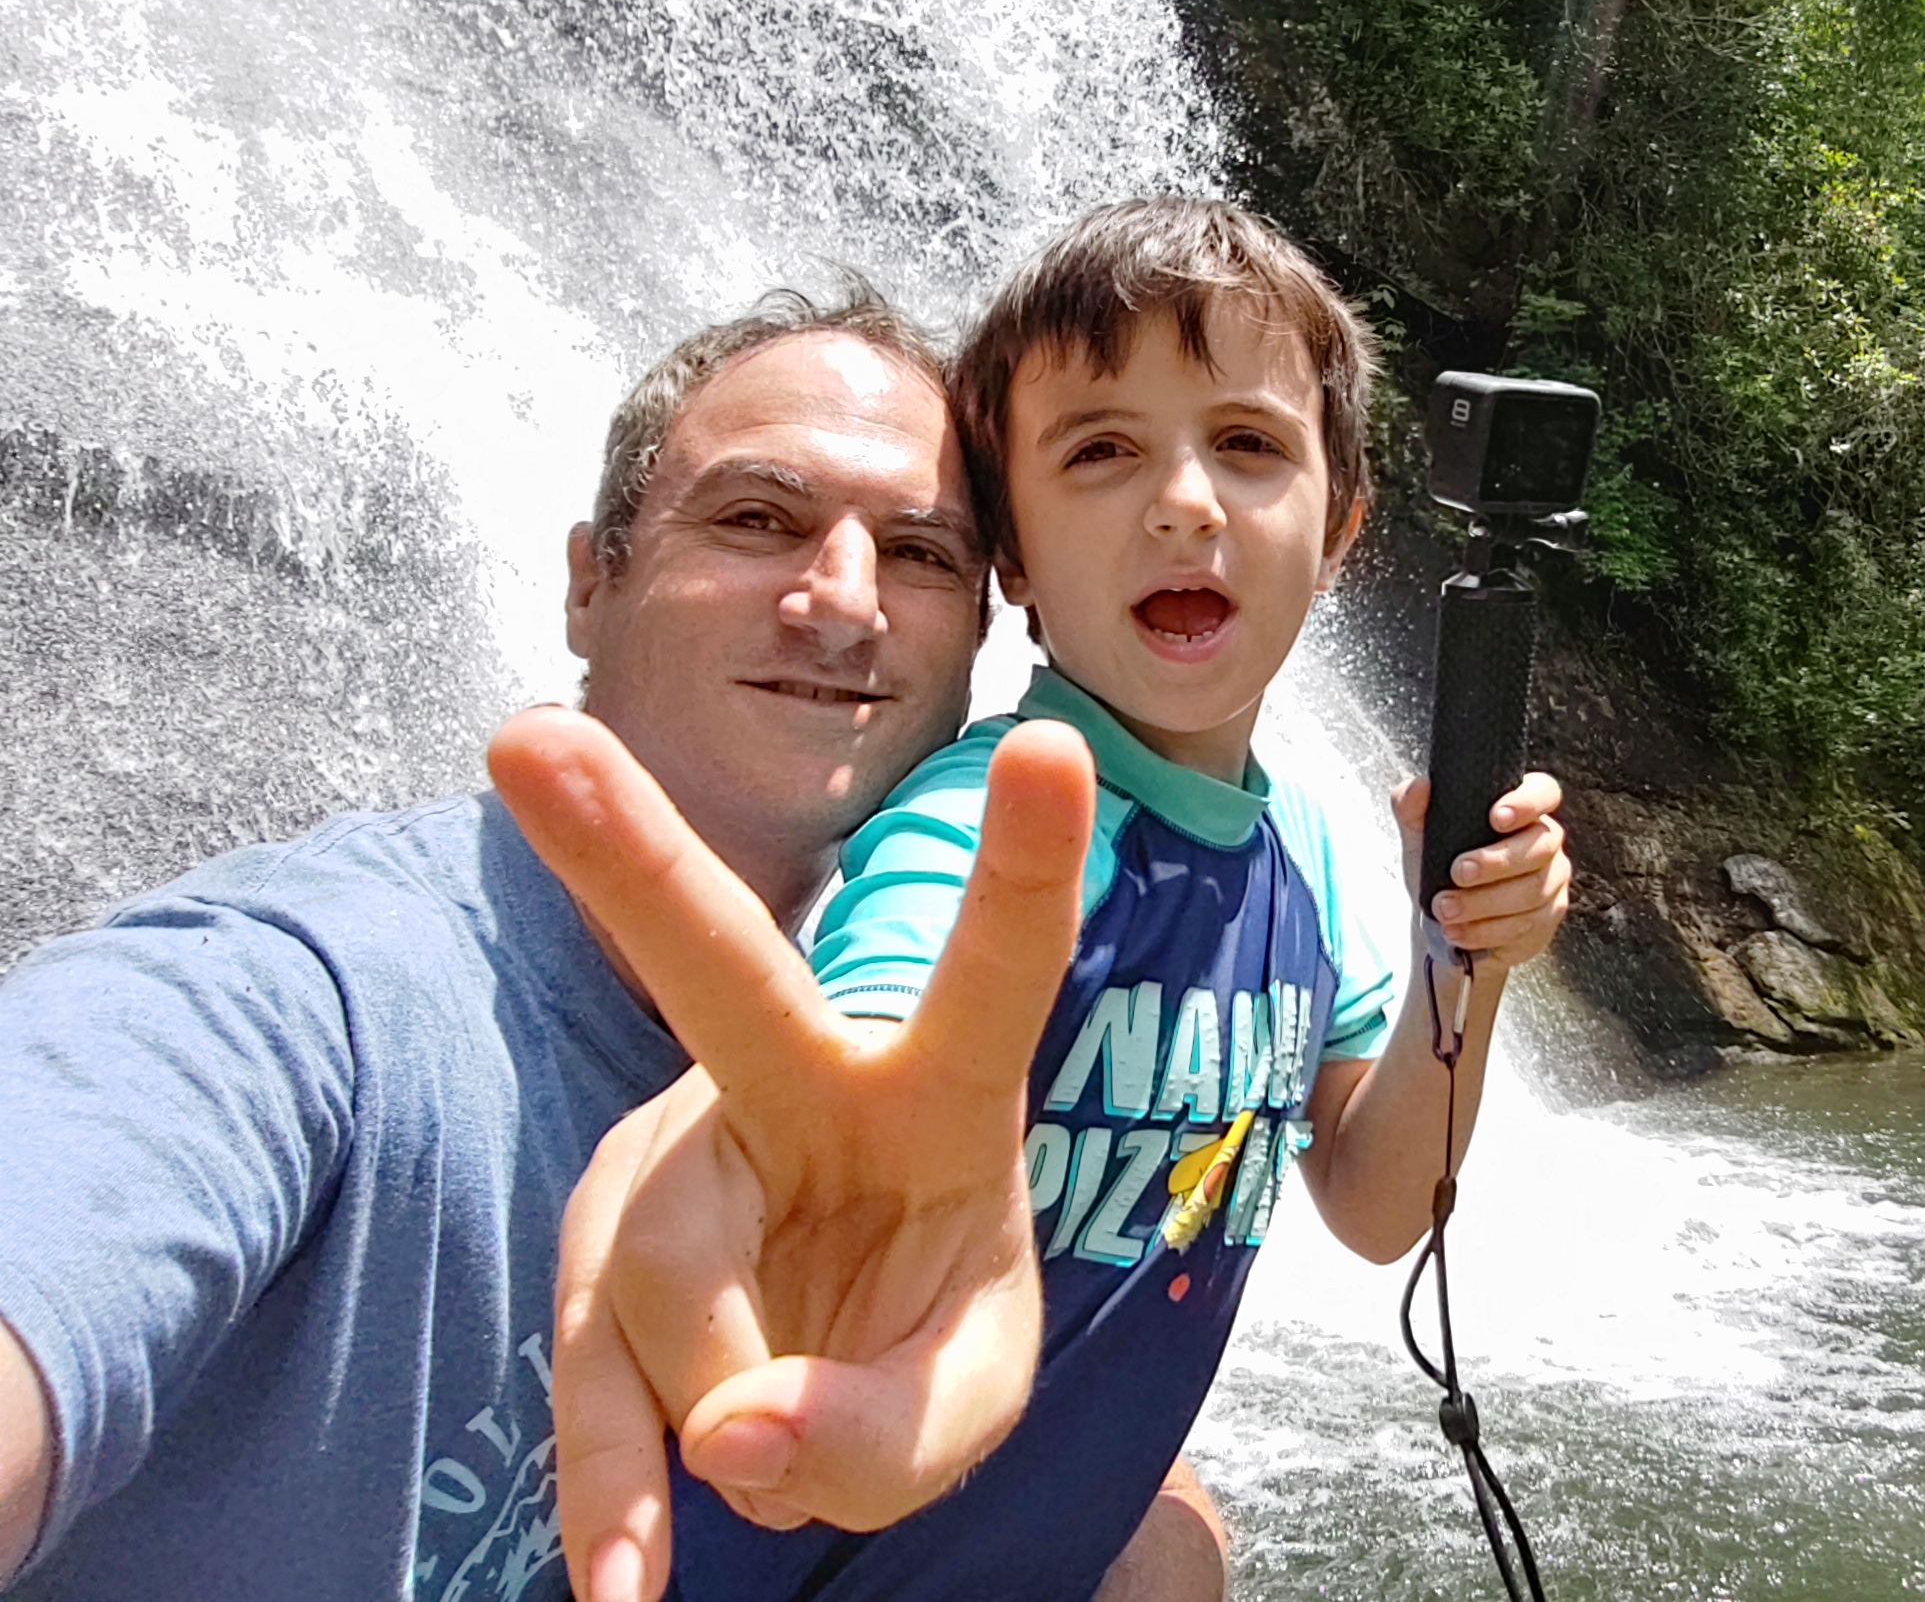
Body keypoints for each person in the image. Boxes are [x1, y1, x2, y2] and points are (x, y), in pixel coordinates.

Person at [0, 288, 1154, 1599]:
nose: (842, 601)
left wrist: (1150, 1539)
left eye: (921, 554)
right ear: (590, 582)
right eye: (759, 519)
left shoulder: (886, 1072)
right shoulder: (289, 995)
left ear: (973, 662)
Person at [596, 200, 1574, 1602]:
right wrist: (791, 1111)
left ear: (1340, 528)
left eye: (1246, 444)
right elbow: (867, 1027)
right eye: (1101, 452)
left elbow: (1376, 1199)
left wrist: (1460, 954)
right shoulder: (1005, 825)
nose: (1184, 500)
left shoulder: (1299, 849)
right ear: (1016, 561)